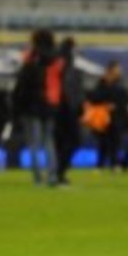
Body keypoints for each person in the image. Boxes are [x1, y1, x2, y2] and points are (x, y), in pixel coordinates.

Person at [12, 29, 60, 187]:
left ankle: (38, 178)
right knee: (49, 141)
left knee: (34, 143)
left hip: (31, 106)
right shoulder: (56, 59)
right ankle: (52, 176)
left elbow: (22, 85)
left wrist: (16, 105)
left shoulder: (31, 59)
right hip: (50, 104)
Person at [86, 61, 128, 173]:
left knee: (115, 142)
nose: (118, 72)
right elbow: (94, 98)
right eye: (116, 70)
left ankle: (114, 164)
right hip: (103, 118)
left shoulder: (121, 84)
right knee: (103, 143)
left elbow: (126, 99)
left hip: (117, 117)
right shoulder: (101, 84)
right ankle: (100, 165)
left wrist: (117, 106)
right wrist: (105, 104)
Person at [53, 37, 83, 186]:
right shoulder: (68, 66)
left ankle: (58, 172)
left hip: (58, 108)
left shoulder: (57, 63)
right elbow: (71, 90)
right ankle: (60, 171)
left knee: (60, 142)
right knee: (73, 141)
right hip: (66, 109)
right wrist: (78, 108)